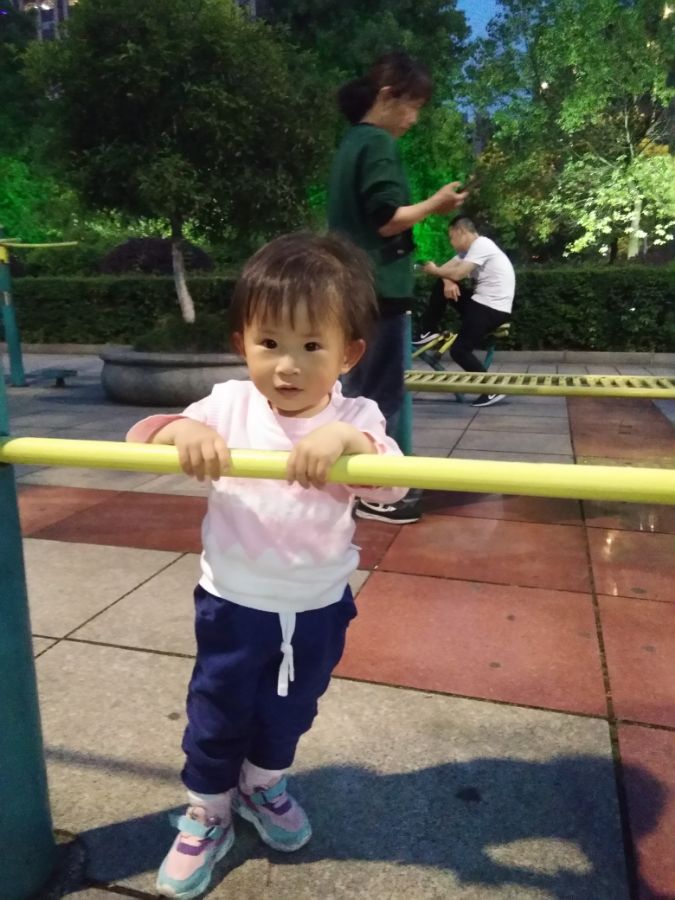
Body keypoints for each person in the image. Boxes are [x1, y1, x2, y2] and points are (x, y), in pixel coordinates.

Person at [126, 232, 407, 900]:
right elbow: (143, 437)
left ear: (348, 354)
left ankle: (262, 786)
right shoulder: (226, 405)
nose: (287, 366)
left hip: (316, 604)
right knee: (218, 709)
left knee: (291, 710)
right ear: (242, 343)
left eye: (311, 347)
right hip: (233, 600)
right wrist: (182, 431)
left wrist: (348, 443)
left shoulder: (356, 415)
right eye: (270, 343)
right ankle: (207, 811)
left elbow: (393, 485)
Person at [328, 50, 468, 523]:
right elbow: (386, 219)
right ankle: (376, 492)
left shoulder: (351, 143)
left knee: (355, 391)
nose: (414, 118)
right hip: (379, 288)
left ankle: (355, 484)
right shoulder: (377, 144)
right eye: (414, 106)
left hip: (350, 285)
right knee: (378, 398)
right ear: (388, 96)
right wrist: (436, 204)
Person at [417, 217, 516, 408]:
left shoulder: (482, 244)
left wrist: (438, 273)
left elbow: (456, 274)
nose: (451, 242)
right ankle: (428, 331)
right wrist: (446, 280)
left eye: (451, 237)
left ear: (461, 231)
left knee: (459, 350)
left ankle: (490, 389)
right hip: (482, 304)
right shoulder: (467, 252)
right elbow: (445, 271)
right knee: (442, 284)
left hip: (490, 308)